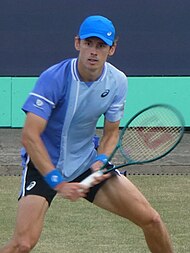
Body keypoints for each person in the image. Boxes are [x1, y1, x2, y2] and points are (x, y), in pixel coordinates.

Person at [0, 15, 173, 253]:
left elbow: (111, 134)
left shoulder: (118, 82)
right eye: (88, 43)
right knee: (22, 244)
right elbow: (30, 136)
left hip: (85, 161)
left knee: (151, 220)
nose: (93, 51)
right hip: (44, 165)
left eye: (101, 45)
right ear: (77, 43)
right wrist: (58, 182)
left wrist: (101, 161)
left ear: (112, 49)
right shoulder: (54, 78)